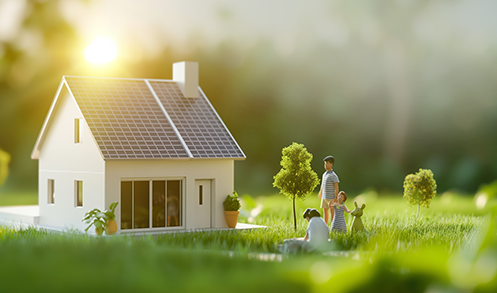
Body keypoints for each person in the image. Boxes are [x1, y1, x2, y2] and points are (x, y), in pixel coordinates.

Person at [318, 155, 340, 225]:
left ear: (331, 164)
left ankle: (332, 225)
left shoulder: (333, 175)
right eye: (325, 163)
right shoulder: (324, 174)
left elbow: (336, 187)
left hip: (331, 197)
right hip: (324, 196)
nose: (326, 165)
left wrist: (336, 197)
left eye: (327, 163)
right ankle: (326, 224)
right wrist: (320, 192)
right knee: (325, 210)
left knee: (332, 211)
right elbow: (322, 184)